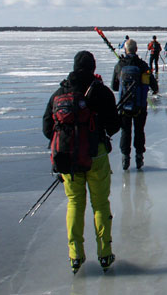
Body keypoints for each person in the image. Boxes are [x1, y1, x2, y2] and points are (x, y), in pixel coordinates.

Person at [42, 51, 120, 273]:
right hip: (96, 156)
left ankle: (75, 255)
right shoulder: (101, 92)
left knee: (75, 203)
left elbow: (48, 128)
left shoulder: (60, 93)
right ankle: (105, 254)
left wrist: (70, 141)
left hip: (68, 160)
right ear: (93, 67)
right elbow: (114, 125)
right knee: (100, 204)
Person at [111, 39, 157, 170]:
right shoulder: (142, 65)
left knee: (125, 131)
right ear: (136, 49)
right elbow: (153, 84)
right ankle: (139, 157)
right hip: (140, 106)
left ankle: (125, 158)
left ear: (126, 50)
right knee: (139, 131)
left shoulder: (120, 65)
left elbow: (114, 86)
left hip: (124, 106)